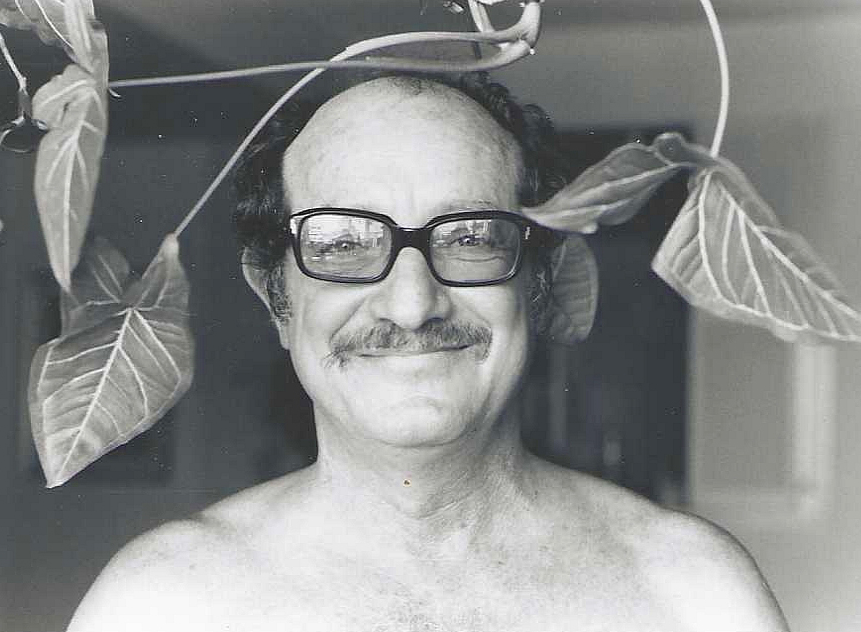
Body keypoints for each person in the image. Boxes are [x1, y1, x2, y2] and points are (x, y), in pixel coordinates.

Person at [66, 74, 789, 632]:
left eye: (470, 237)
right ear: (276, 298)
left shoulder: (695, 594)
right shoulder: (157, 605)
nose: (412, 304)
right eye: (342, 244)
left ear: (537, 281)